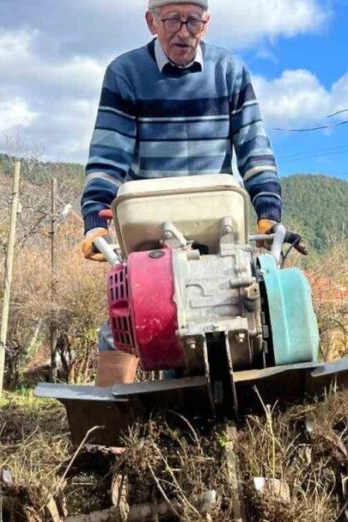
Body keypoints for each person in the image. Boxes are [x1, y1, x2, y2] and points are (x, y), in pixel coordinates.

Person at [80, 0, 287, 387]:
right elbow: (109, 154)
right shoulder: (126, 74)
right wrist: (95, 220)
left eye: (193, 19)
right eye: (172, 19)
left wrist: (268, 208)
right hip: (151, 226)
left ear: (206, 23)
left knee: (255, 305)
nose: (183, 30)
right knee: (126, 321)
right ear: (151, 22)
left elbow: (254, 146)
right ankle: (109, 428)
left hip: (218, 223)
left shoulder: (229, 71)